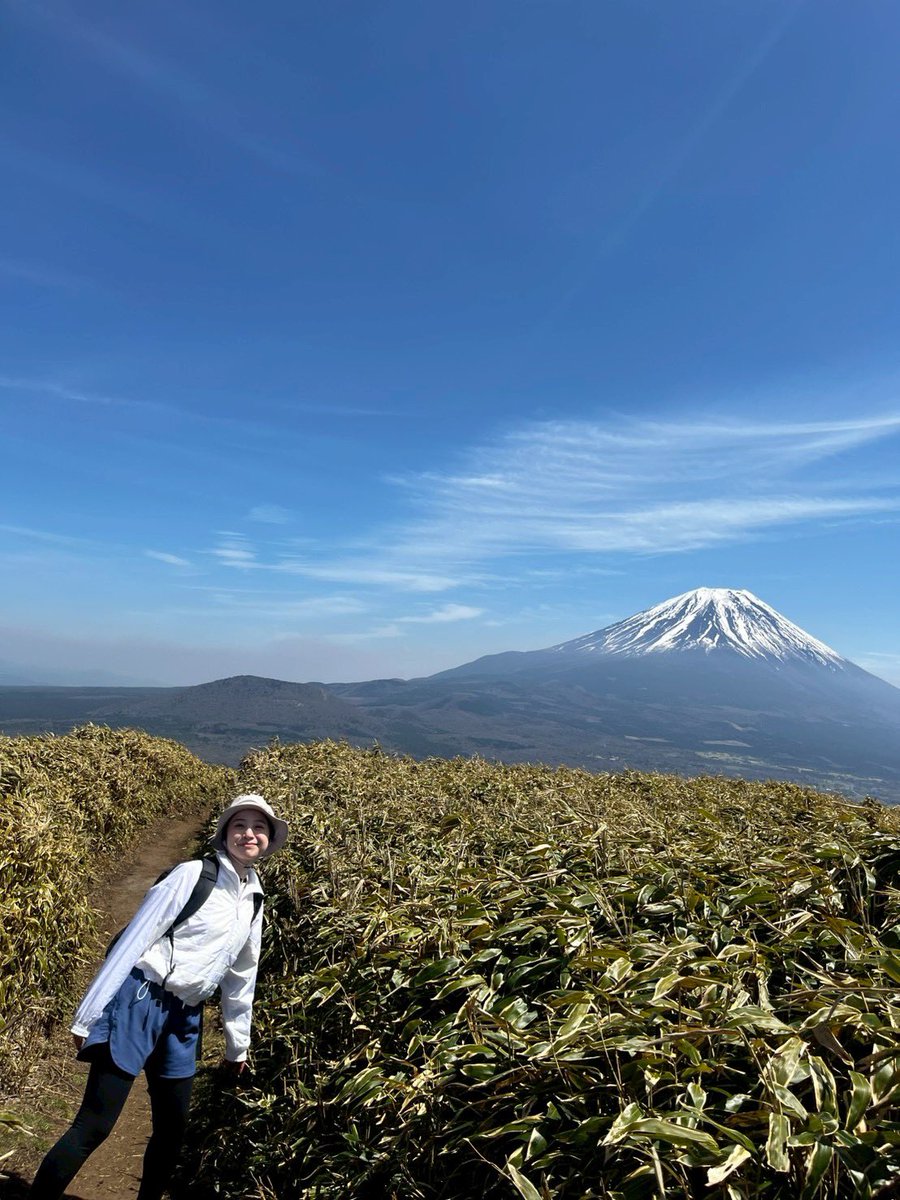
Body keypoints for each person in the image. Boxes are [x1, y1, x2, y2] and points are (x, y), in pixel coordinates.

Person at [29, 793, 289, 1200]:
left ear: (269, 840)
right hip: (140, 1001)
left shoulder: (254, 899)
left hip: (185, 1017)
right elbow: (134, 940)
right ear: (224, 833)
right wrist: (88, 1015)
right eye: (239, 825)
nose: (249, 834)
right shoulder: (192, 875)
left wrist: (238, 1045)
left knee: (172, 1129)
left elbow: (242, 975)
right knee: (95, 1124)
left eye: (259, 828)